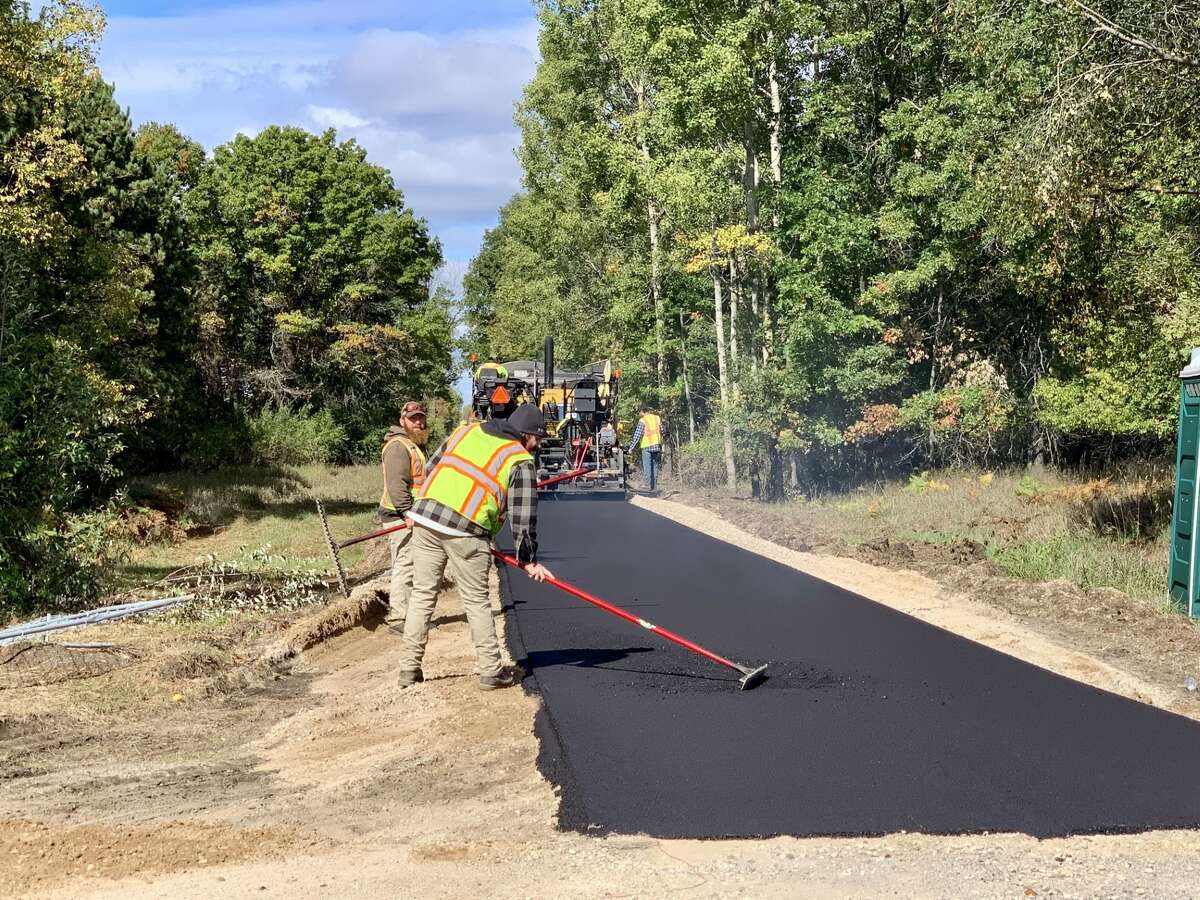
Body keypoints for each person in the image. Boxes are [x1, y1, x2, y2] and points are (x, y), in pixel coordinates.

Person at [399, 403, 554, 690]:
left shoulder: (465, 431)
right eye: (538, 440)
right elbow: (523, 515)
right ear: (526, 435)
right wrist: (528, 559)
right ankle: (491, 671)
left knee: (422, 595)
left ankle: (408, 670)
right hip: (465, 530)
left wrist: (416, 509)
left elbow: (432, 466)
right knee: (476, 600)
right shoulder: (519, 458)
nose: (538, 446)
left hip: (425, 519)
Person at [379, 401, 430, 627]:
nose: (418, 422)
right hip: (400, 516)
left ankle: (412, 617)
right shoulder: (398, 446)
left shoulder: (413, 444)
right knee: (405, 566)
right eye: (413, 419)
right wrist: (407, 513)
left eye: (421, 418)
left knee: (414, 566)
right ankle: (399, 617)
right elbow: (396, 484)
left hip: (413, 515)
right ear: (403, 421)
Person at [628, 406, 664, 491]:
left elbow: (637, 435)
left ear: (643, 412)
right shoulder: (657, 418)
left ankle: (647, 484)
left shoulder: (643, 420)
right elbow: (663, 431)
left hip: (647, 446)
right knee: (655, 466)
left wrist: (631, 447)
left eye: (639, 412)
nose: (639, 414)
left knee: (647, 465)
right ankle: (654, 485)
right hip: (657, 446)